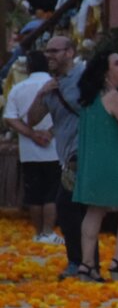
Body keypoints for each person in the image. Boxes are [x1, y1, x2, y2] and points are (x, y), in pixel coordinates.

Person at [73, 50, 118, 282]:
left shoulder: (89, 97)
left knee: (95, 210)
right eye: (117, 63)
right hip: (115, 163)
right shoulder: (115, 97)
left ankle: (87, 265)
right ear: (106, 72)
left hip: (93, 165)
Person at [26, 35, 95, 279]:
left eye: (54, 51)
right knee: (82, 210)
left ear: (69, 52)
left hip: (85, 152)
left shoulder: (86, 76)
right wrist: (40, 94)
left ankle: (79, 262)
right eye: (46, 52)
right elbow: (32, 119)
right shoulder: (51, 85)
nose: (49, 56)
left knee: (67, 207)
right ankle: (87, 262)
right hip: (66, 155)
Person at [3, 50, 61, 243]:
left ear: (28, 67)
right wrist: (49, 133)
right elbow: (65, 115)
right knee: (52, 192)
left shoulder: (18, 88)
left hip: (29, 150)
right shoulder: (55, 86)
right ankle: (49, 231)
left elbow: (10, 118)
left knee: (35, 194)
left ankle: (38, 233)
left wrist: (31, 134)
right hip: (54, 147)